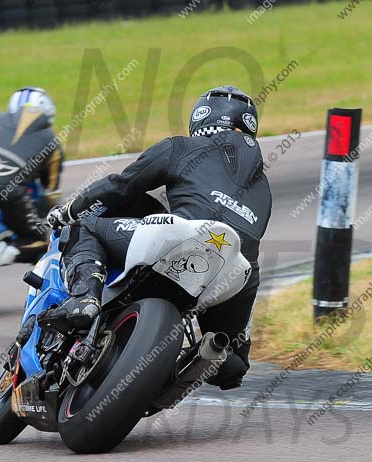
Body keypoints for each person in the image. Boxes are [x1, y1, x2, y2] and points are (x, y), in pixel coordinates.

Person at [40, 85, 272, 390]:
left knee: (85, 227)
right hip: (237, 268)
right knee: (234, 363)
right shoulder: (264, 188)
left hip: (183, 235)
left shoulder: (182, 147)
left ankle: (85, 298)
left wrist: (70, 210)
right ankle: (196, 362)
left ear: (200, 119)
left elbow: (120, 186)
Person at [0, 87, 64, 265]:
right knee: (42, 240)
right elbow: (50, 195)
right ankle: (4, 252)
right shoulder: (53, 143)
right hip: (10, 194)